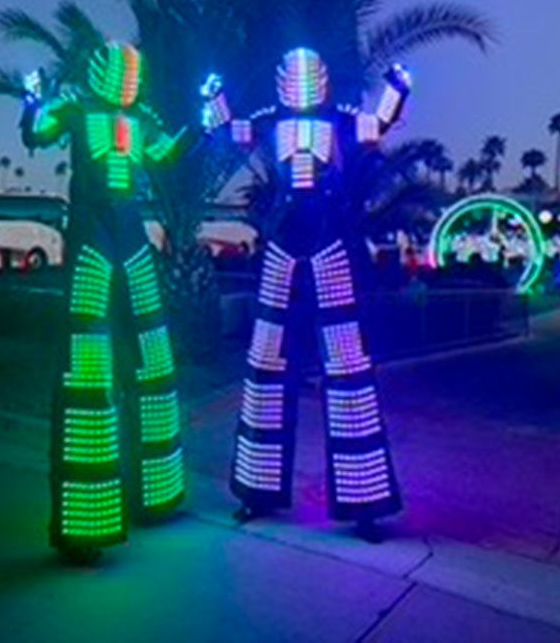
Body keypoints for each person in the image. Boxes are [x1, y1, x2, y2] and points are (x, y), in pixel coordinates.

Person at [202, 48, 411, 539]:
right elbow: (229, 131)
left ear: (322, 80)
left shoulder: (341, 121)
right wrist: (214, 100)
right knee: (266, 361)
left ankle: (364, 503)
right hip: (283, 243)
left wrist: (397, 90)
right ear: (283, 81)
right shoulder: (270, 121)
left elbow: (378, 124)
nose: (301, 84)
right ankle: (256, 490)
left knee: (347, 363)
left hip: (328, 242)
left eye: (309, 76)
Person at [21, 41, 189, 563]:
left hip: (132, 237)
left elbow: (164, 154)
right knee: (87, 366)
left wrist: (201, 125)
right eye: (119, 72)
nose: (124, 80)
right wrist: (33, 101)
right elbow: (37, 133)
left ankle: (157, 494)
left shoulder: (142, 119)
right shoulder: (74, 108)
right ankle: (86, 521)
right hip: (93, 237)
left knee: (153, 358)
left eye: (131, 73)